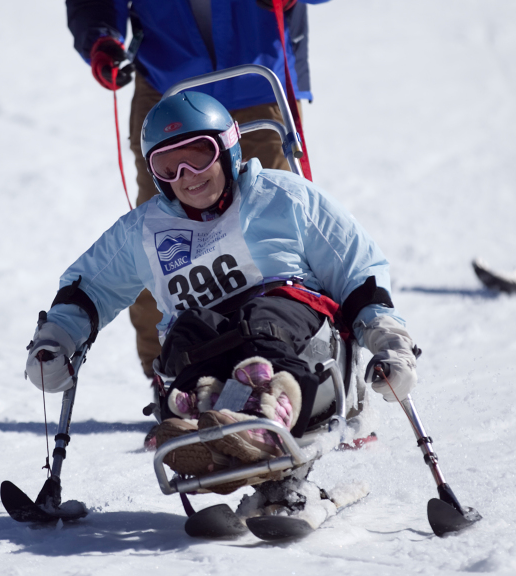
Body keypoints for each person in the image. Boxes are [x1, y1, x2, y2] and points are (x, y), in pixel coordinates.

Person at [23, 91, 418, 502]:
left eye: (199, 154)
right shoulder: (145, 230)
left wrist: (389, 341)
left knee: (261, 319)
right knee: (185, 333)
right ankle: (203, 414)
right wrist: (57, 341)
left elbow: (357, 268)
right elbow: (90, 287)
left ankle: (265, 413)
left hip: (297, 337)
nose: (187, 175)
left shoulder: (282, 196)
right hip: (210, 348)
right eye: (168, 165)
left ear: (228, 148)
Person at [66, 0, 329, 380]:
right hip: (167, 85)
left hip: (256, 77)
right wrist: (100, 37)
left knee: (284, 226)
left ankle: (318, 367)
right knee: (160, 241)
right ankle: (174, 382)